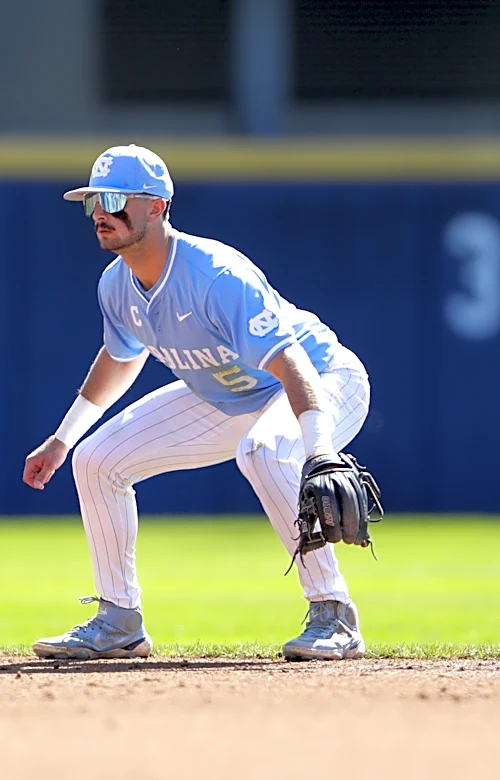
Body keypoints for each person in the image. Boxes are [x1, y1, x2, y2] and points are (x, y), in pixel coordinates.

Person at [22, 144, 373, 661]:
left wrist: (317, 450)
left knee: (266, 450)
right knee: (96, 461)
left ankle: (334, 614)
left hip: (322, 378)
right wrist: (62, 438)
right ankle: (119, 621)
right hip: (229, 393)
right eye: (92, 201)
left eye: (115, 198)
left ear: (157, 206)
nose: (101, 212)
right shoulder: (116, 284)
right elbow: (121, 359)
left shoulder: (215, 276)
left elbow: (290, 363)